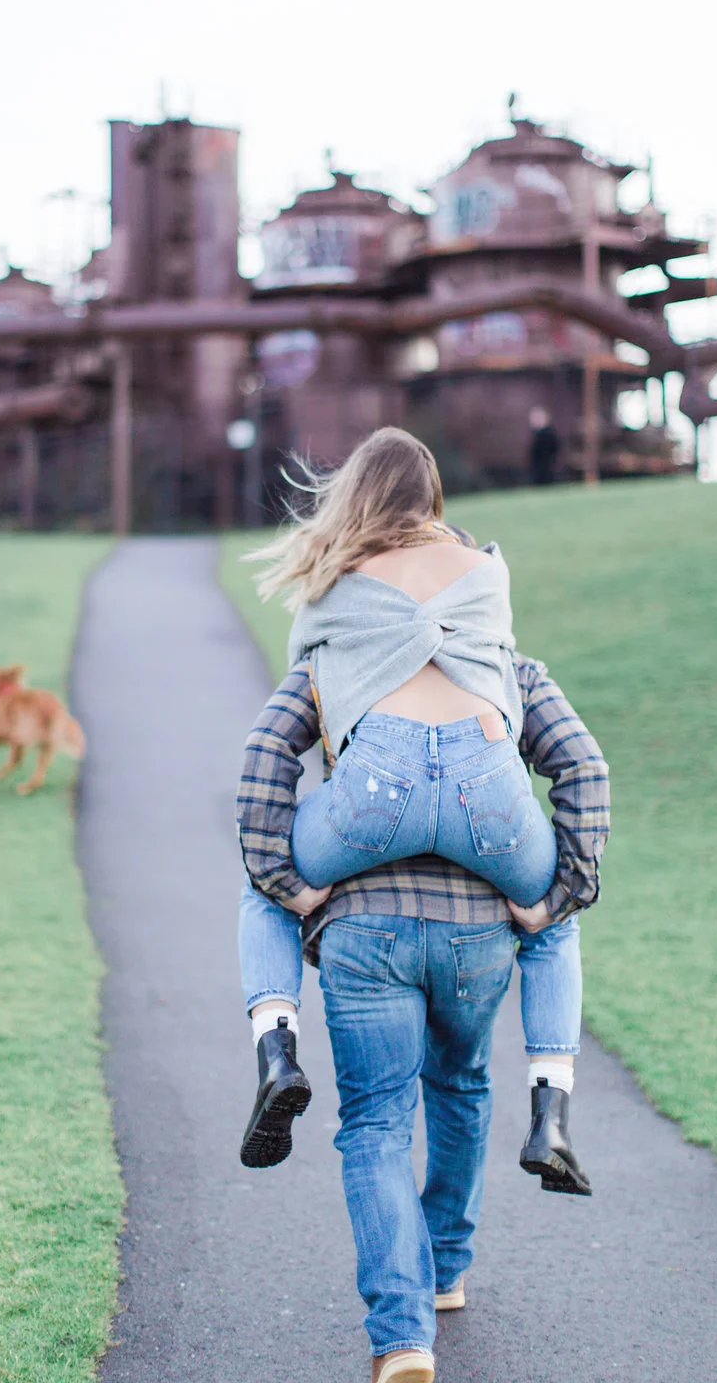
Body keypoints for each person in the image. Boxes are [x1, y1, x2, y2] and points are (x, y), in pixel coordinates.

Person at [236, 428, 606, 1187]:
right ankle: (552, 1110)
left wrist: (288, 883)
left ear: (355, 497)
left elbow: (264, 754)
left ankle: (276, 1050)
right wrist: (559, 893)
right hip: (488, 794)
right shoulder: (482, 580)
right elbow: (584, 766)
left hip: (376, 791)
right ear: (432, 497)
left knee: (258, 878)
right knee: (556, 918)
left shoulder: (340, 585)